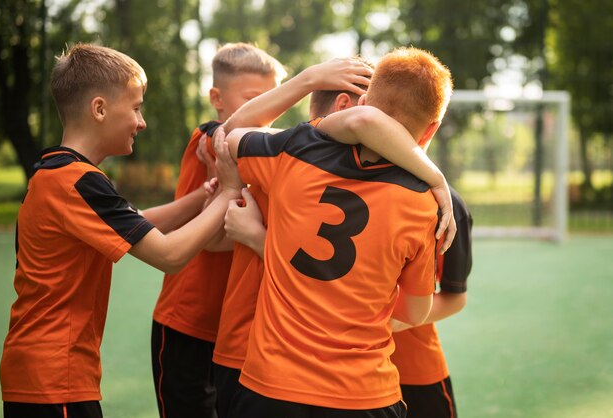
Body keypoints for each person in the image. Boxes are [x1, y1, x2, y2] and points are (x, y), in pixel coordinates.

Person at [0, 43, 242, 418]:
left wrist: (198, 198)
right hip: (53, 378)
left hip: (39, 374)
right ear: (99, 109)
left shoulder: (55, 172)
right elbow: (170, 255)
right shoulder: (79, 182)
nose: (141, 122)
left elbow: (136, 222)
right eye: (136, 107)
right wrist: (228, 191)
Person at [216, 46, 454, 418]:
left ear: (361, 102)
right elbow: (415, 309)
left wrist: (309, 80)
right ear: (430, 132)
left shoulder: (295, 151)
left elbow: (231, 134)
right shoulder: (425, 205)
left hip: (272, 387)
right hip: (366, 395)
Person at [209, 56, 374, 418]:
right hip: (299, 364)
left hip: (262, 357)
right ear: (349, 106)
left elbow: (231, 132)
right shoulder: (292, 153)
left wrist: (256, 238)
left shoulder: (281, 154)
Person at [149, 42, 286, 418]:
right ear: (217, 98)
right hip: (186, 322)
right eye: (255, 100)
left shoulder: (266, 155)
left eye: (274, 101)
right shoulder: (211, 138)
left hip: (236, 331)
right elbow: (216, 241)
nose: (266, 113)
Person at [390, 187, 473, 418]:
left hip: (413, 367)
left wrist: (391, 323)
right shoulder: (325, 177)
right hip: (339, 367)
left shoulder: (448, 206)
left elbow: (455, 298)